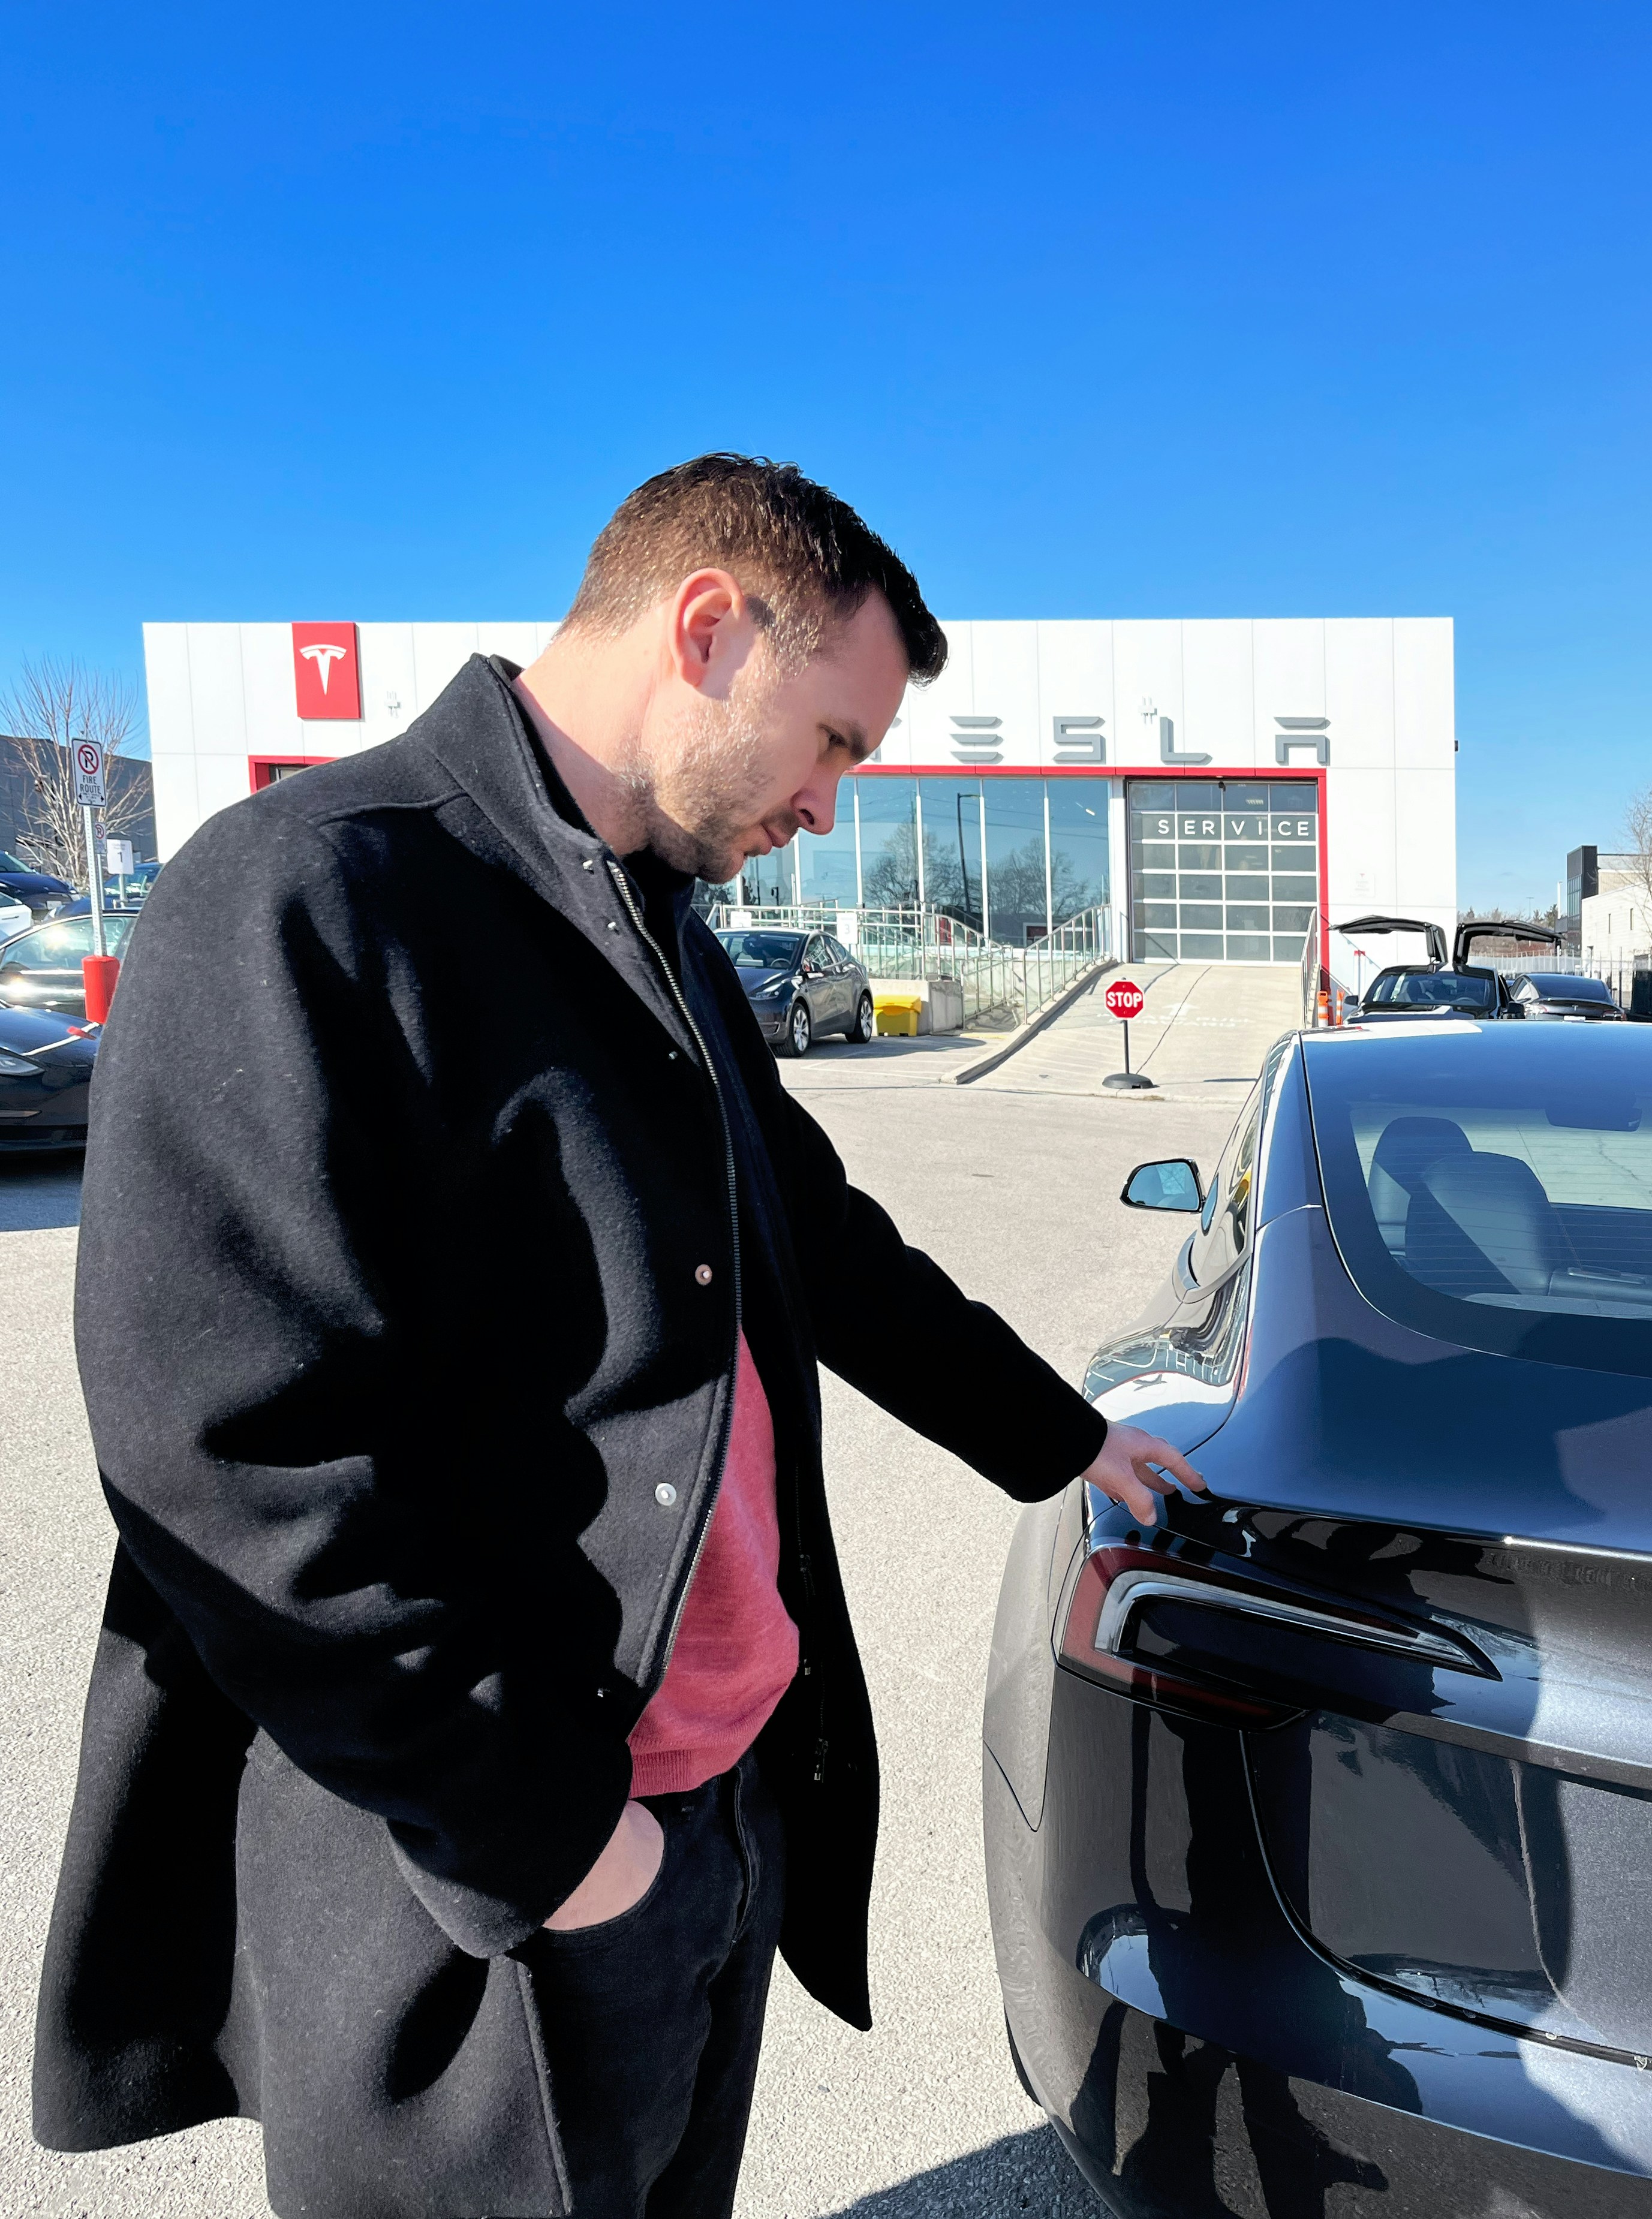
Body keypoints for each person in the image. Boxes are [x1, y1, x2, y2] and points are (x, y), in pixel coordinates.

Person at [34, 454, 1203, 2219]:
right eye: (837, 743)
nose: (831, 806)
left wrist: (1063, 1437)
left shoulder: (662, 932)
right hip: (488, 1888)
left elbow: (814, 1241)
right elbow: (229, 1458)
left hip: (716, 1814)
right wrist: (551, 1840)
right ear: (709, 627)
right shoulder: (308, 894)